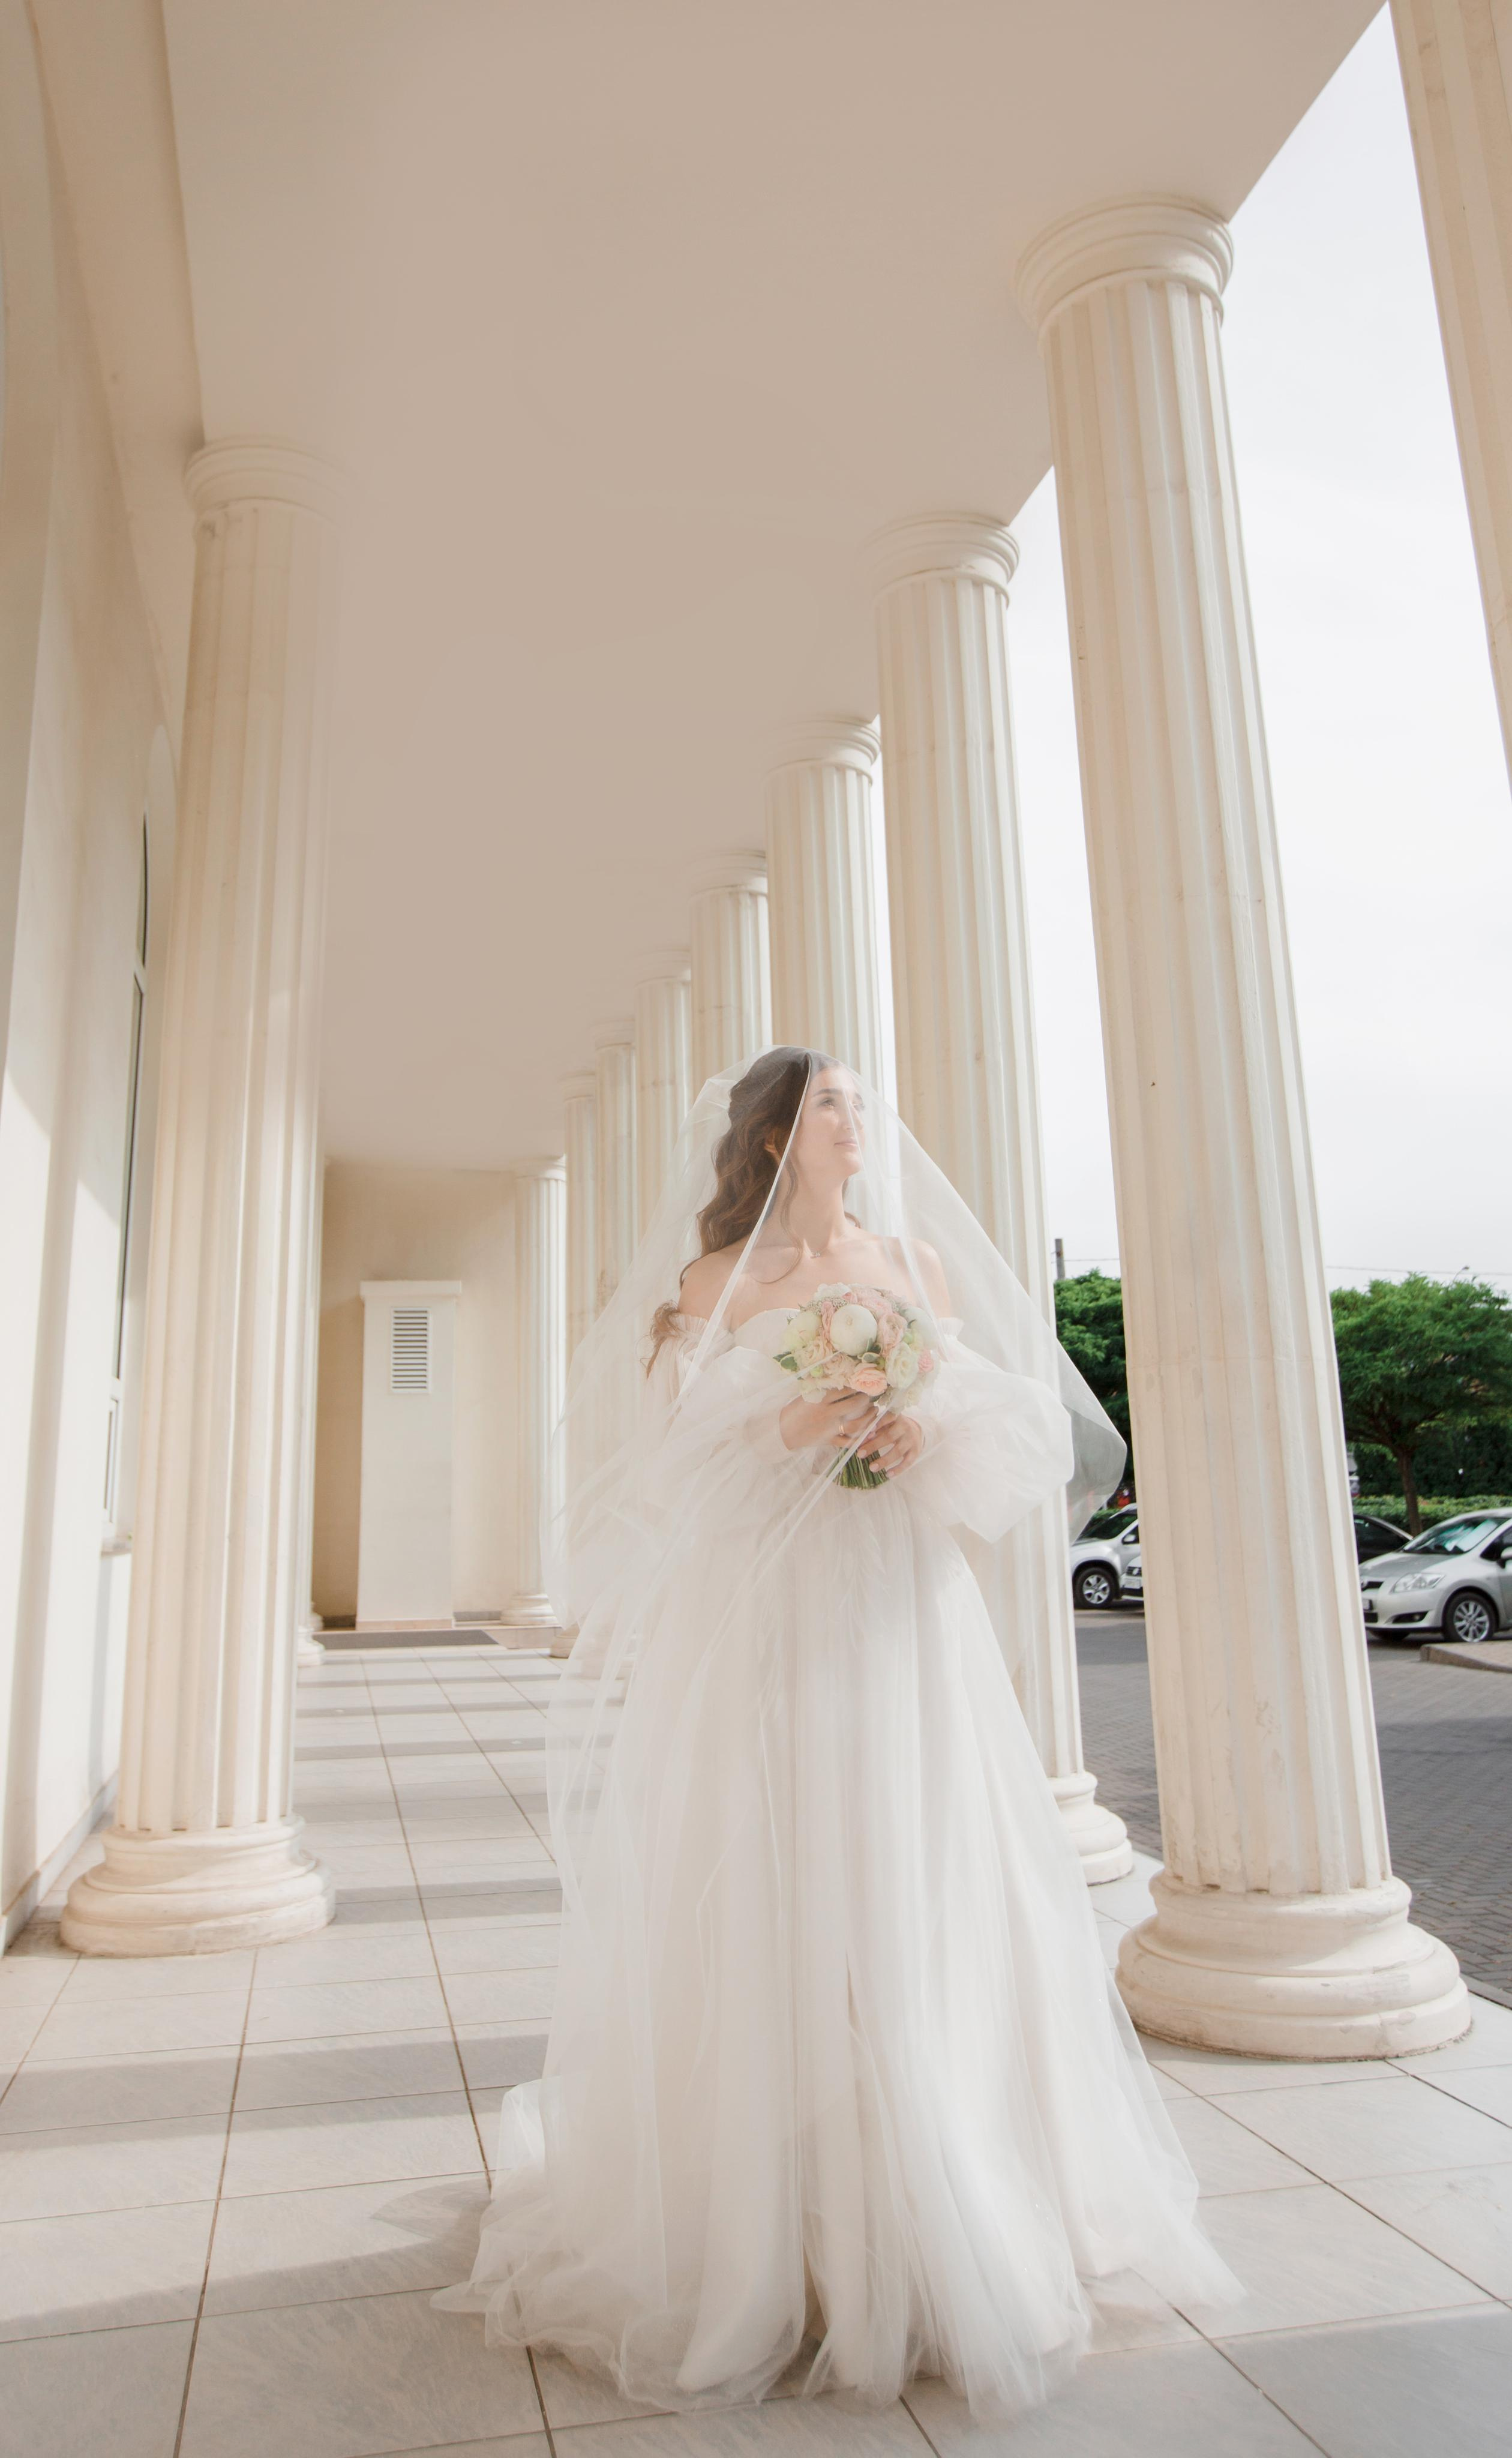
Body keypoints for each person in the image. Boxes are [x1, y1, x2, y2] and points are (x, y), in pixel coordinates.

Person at [438, 1047, 1238, 2419]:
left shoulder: (913, 1263)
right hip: (773, 1616)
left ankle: (953, 2190)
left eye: (857, 1101)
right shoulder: (715, 1285)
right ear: (769, 1138)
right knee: (781, 1868)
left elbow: (1004, 1424)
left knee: (918, 1861)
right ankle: (776, 2233)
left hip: (897, 1604)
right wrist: (808, 1415)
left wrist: (918, 1427)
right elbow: (675, 1463)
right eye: (827, 1102)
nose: (855, 1118)